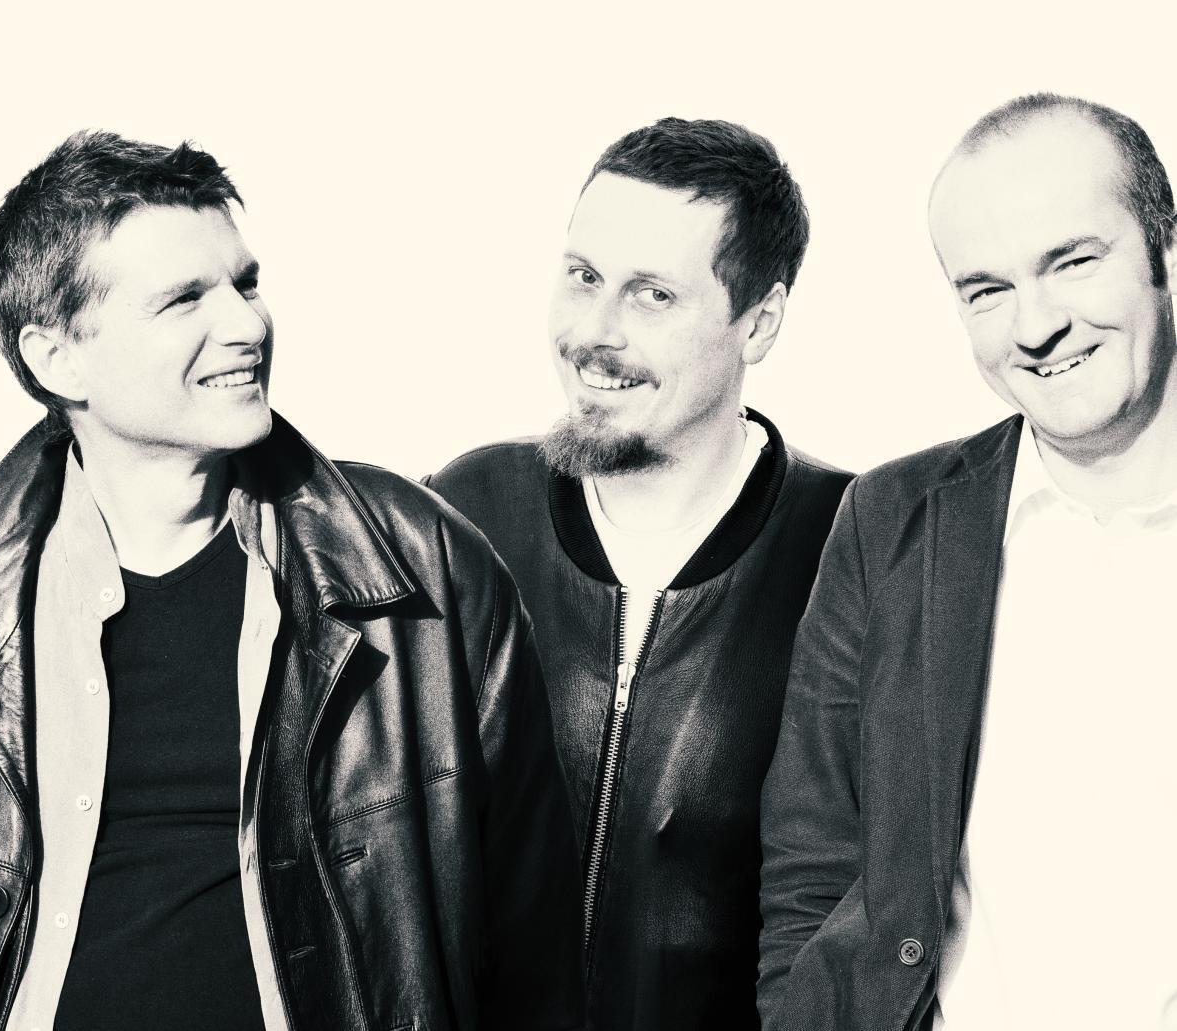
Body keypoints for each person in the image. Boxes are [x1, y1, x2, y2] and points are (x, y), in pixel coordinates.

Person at [0, 131, 583, 1031]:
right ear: (57, 357)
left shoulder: (423, 567)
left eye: (246, 284)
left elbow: (534, 953)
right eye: (185, 298)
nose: (246, 325)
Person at [757, 93, 1177, 1030]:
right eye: (985, 289)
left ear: (1164, 249)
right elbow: (810, 862)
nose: (1034, 326)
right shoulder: (890, 520)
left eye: (1071, 262)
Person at [427, 117, 852, 1030]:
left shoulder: (851, 544)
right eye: (582, 277)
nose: (593, 333)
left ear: (758, 322)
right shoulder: (464, 511)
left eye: (651, 295)